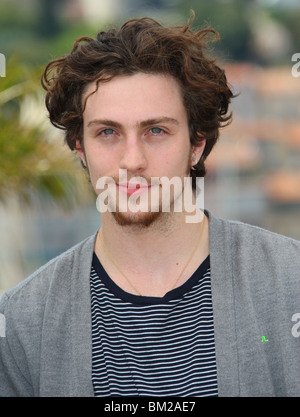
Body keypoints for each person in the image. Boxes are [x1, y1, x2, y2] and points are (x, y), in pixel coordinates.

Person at [0, 14, 300, 398]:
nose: (132, 160)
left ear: (197, 143)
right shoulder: (24, 321)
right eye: (107, 132)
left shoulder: (289, 285)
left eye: (156, 130)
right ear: (80, 147)